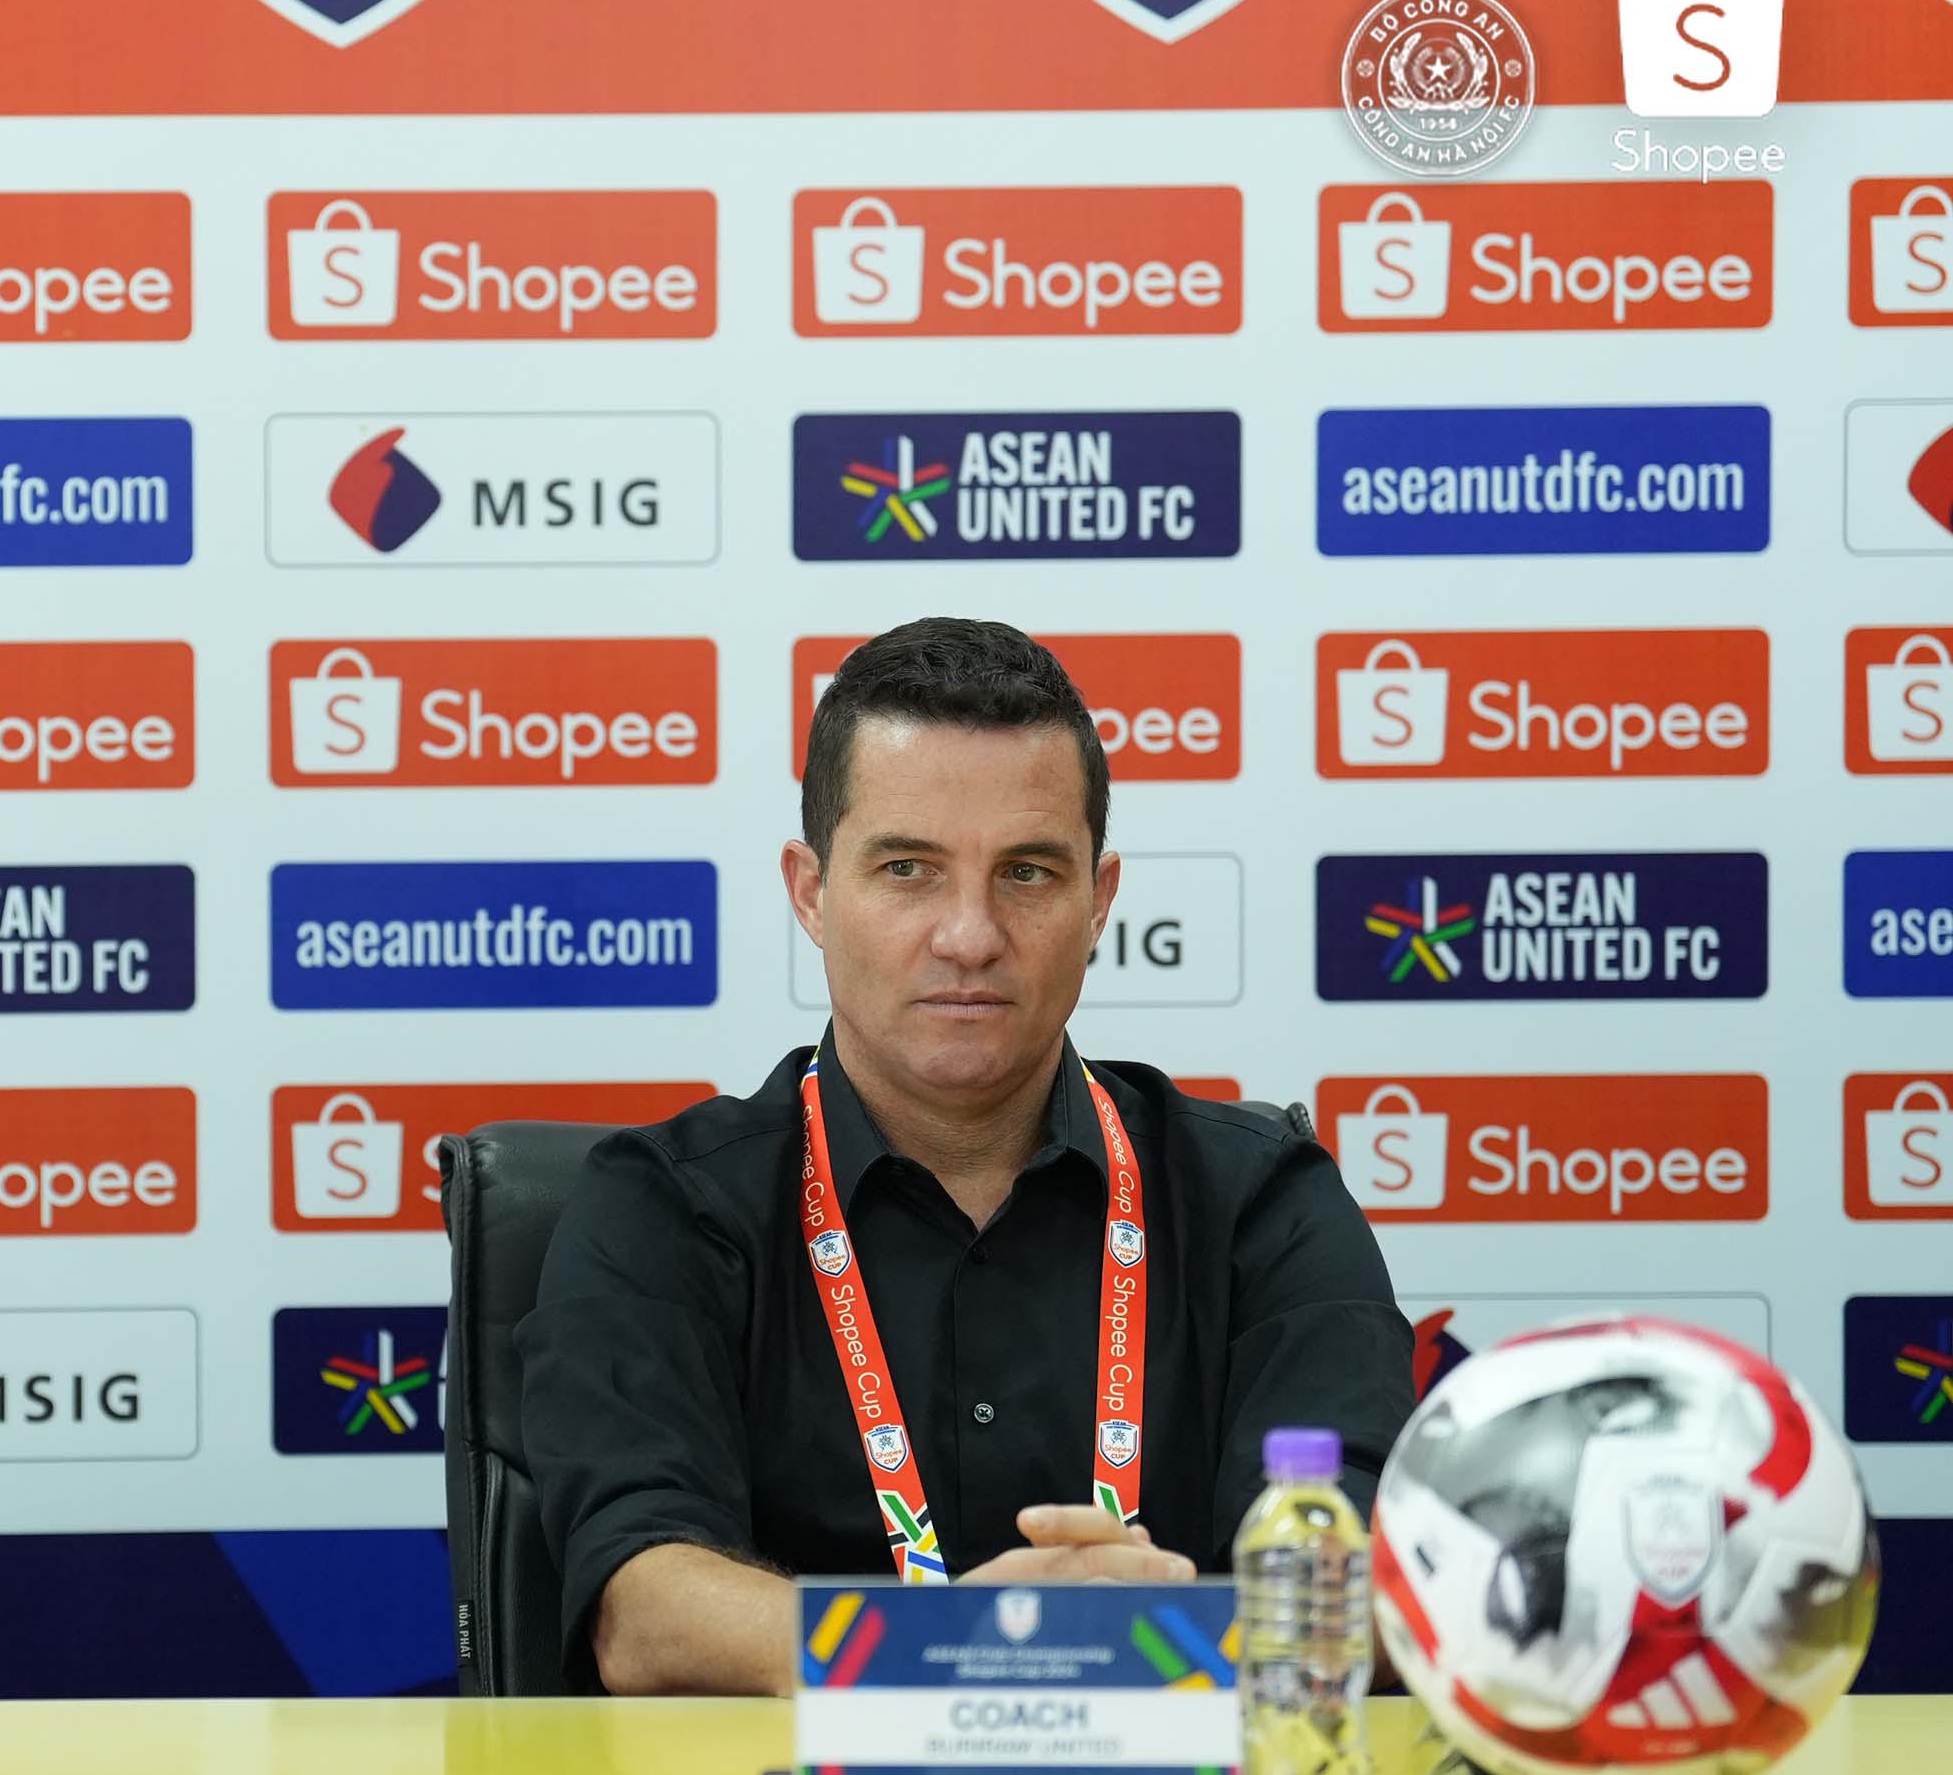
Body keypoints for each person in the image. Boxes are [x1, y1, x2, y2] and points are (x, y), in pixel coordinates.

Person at [521, 617, 1411, 1696]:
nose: (970, 935)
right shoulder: (663, 1207)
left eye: (1028, 873)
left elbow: (1358, 1593)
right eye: (909, 869)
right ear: (810, 892)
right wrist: (968, 1643)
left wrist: (1095, 1641)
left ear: (1100, 901)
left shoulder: (1260, 1201)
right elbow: (645, 1615)